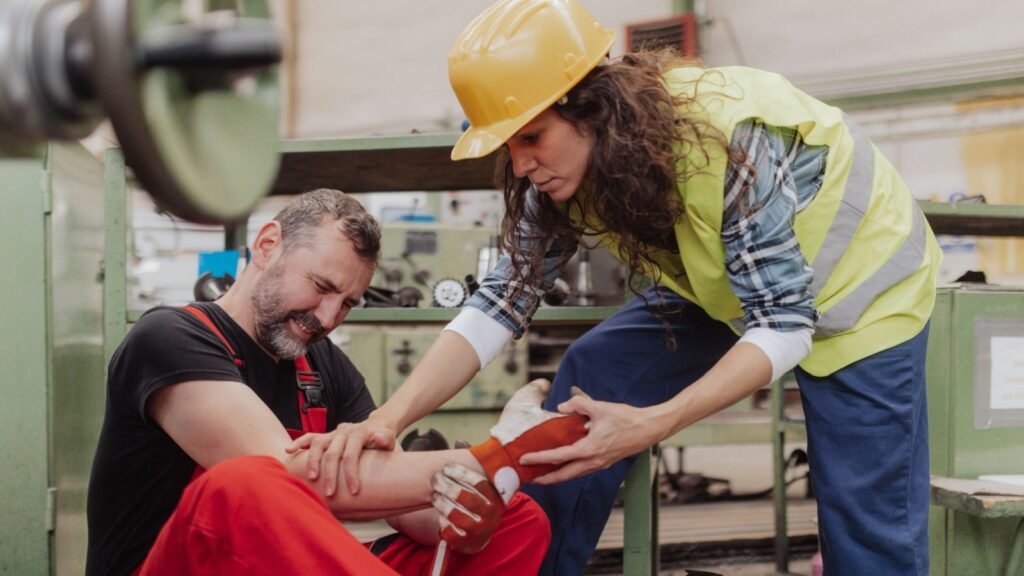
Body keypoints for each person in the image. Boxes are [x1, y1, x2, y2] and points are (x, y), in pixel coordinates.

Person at [290, 1, 942, 575]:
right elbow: (499, 303)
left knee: (864, 520)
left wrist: (651, 425)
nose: (520, 163)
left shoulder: (730, 140)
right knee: (594, 375)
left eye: (532, 137)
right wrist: (387, 420)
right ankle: (534, 564)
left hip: (863, 298)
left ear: (593, 111)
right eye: (509, 146)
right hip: (725, 287)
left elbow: (784, 325)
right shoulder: (563, 173)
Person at [84, 188, 588, 576]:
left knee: (520, 520)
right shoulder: (171, 337)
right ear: (267, 245)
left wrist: (468, 508)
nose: (328, 317)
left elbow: (402, 507)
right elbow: (288, 477)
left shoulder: (321, 364)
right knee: (247, 483)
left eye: (346, 303)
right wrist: (495, 458)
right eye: (322, 286)